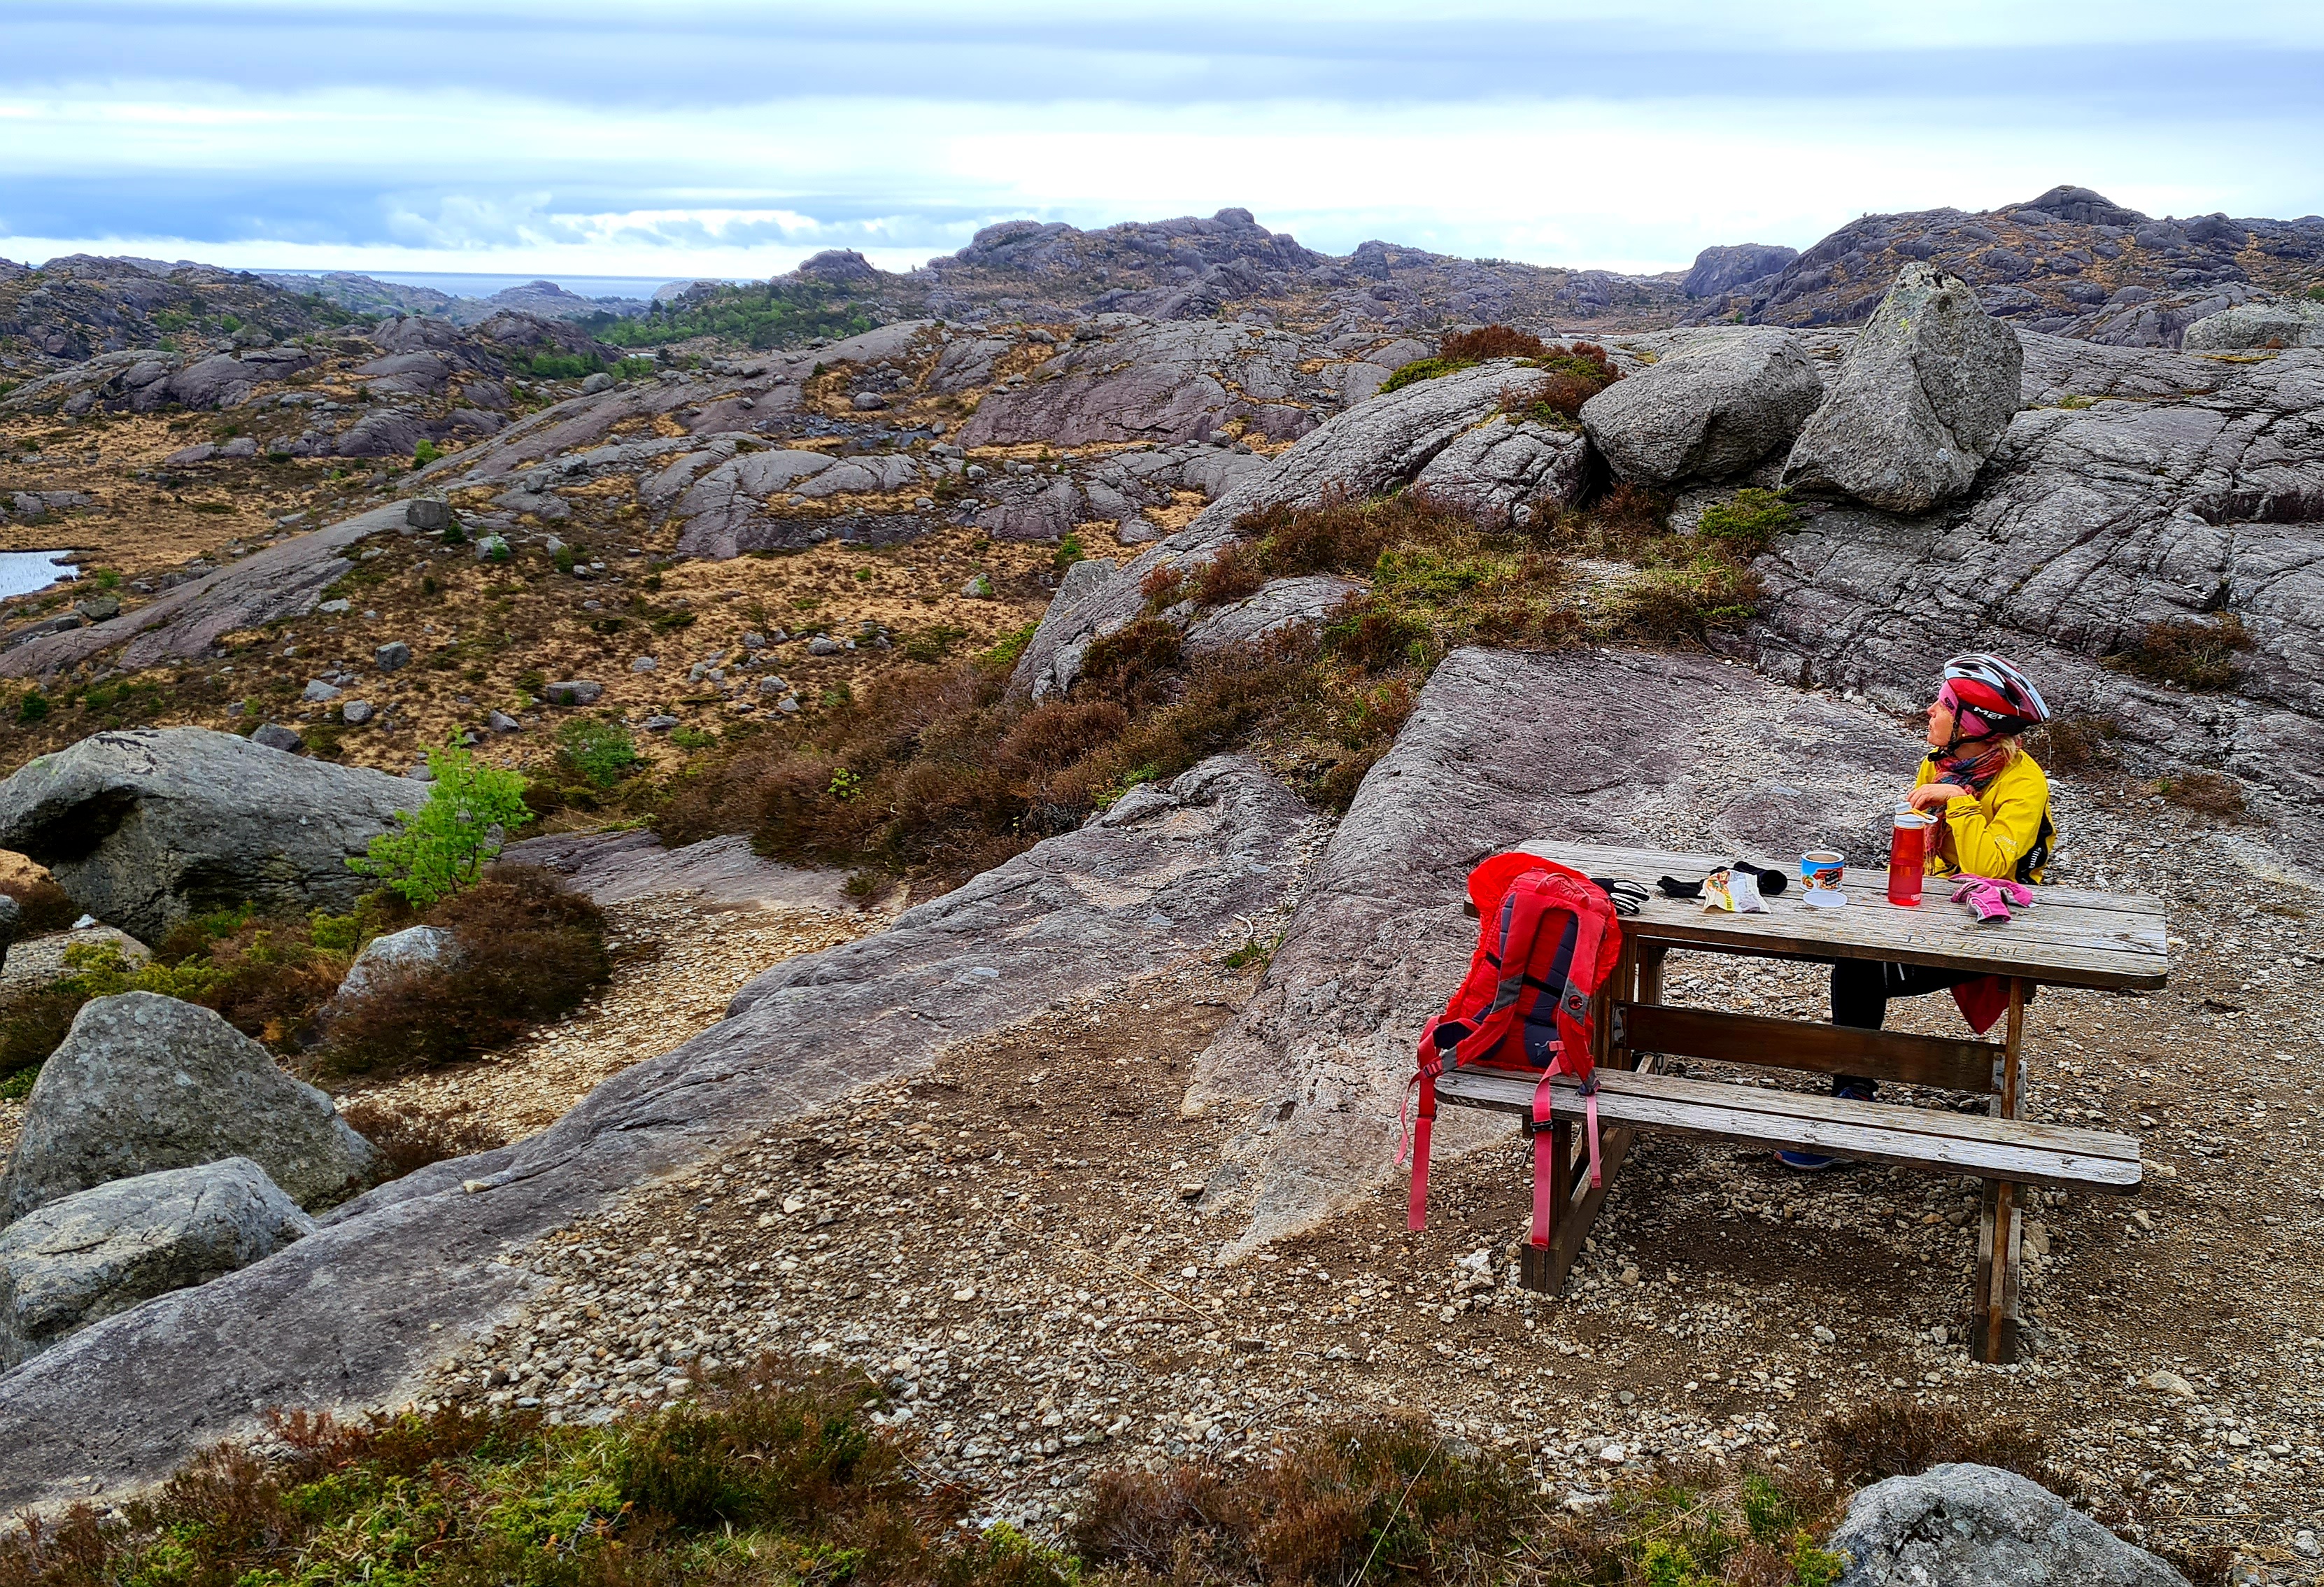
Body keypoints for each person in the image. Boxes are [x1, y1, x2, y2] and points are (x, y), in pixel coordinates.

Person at [1780, 653, 2056, 1171]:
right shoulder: (1940, 761)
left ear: (1973, 725)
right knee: (1852, 954)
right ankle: (1851, 1088)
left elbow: (1991, 866)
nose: (1930, 711)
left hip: (1992, 931)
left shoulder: (2023, 783)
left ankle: (1853, 1098)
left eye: (1944, 705)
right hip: (1934, 914)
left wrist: (1958, 800)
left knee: (1857, 968)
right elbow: (1924, 850)